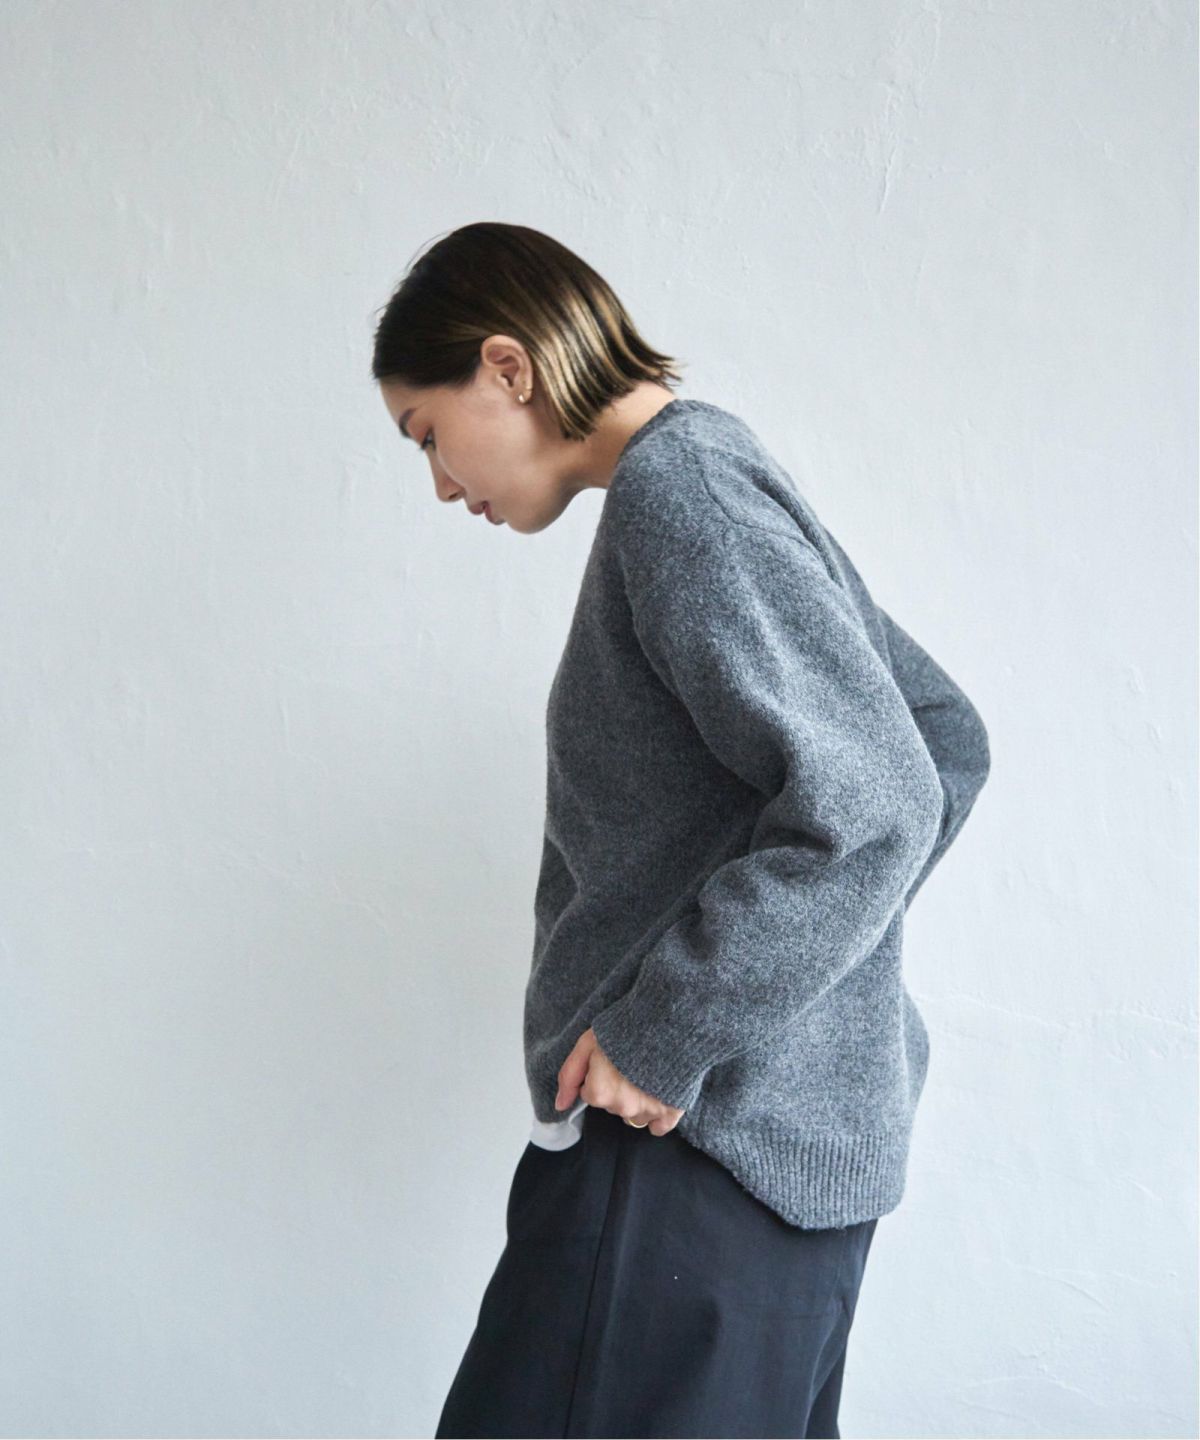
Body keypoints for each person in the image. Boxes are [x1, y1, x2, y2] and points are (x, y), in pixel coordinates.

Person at [372, 222, 991, 1439]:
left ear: (508, 366)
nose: (440, 483)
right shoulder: (715, 476)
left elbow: (880, 798)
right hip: (757, 1177)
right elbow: (939, 741)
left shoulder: (683, 494)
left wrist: (671, 1031)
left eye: (426, 434)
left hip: (685, 1164)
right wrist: (807, 993)